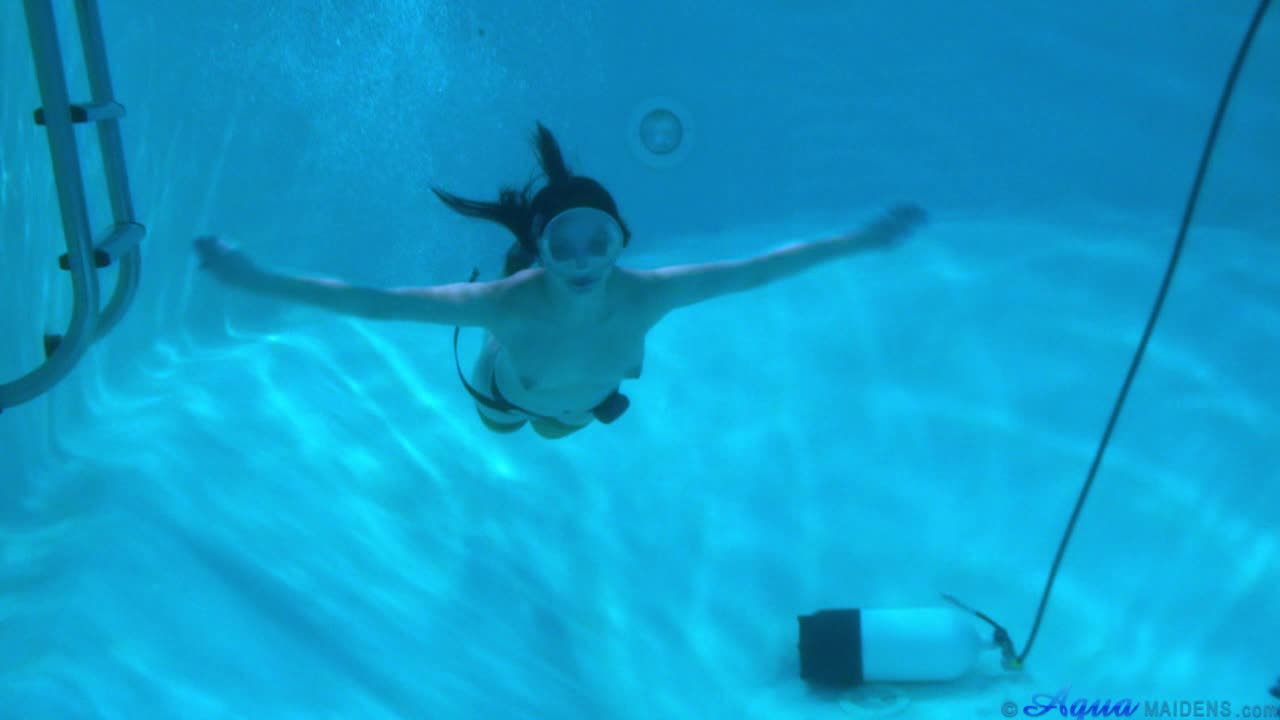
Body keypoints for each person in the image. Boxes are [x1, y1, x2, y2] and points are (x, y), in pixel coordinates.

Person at [194, 122, 926, 439]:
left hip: (577, 409)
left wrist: (861, 240)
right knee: (508, 428)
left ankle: (553, 410)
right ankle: (507, 353)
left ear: (621, 243)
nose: (582, 261)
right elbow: (375, 305)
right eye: (563, 247)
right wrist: (255, 279)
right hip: (503, 394)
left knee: (553, 432)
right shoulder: (503, 305)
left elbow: (757, 271)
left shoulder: (651, 293)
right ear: (543, 252)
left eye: (596, 243)